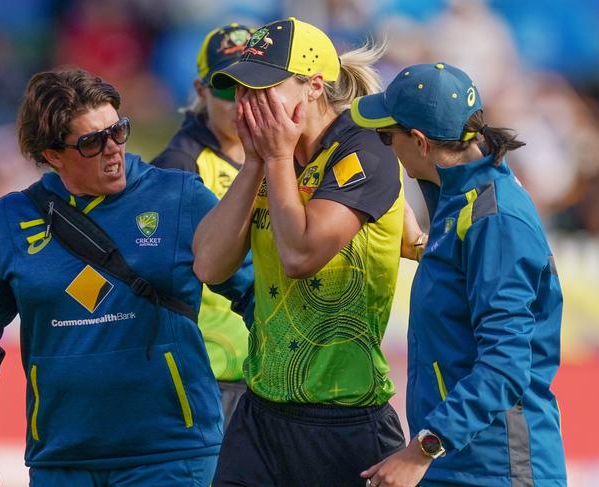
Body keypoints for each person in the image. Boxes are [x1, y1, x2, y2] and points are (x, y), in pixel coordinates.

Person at [0, 68, 252, 487]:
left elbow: (256, 296)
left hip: (172, 454)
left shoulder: (180, 196)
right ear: (53, 155)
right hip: (61, 460)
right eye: (93, 141)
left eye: (118, 131)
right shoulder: (10, 218)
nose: (113, 149)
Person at [193, 17, 424, 487]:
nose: (247, 103)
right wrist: (257, 160)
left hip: (343, 420)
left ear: (314, 87)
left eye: (264, 88)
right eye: (240, 88)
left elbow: (300, 256)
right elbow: (209, 264)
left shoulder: (366, 150)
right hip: (259, 414)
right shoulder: (270, 158)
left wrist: (274, 159)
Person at [351, 62, 566, 486]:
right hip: (461, 460)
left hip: (496, 469)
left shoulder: (494, 220)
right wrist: (424, 247)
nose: (385, 147)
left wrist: (420, 451)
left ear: (419, 142)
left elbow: (504, 367)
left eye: (386, 136)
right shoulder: (465, 197)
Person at [152, 23, 253, 429]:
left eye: (254, 85)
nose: (242, 101)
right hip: (212, 377)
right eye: (228, 87)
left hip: (272, 372)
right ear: (200, 90)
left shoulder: (284, 155)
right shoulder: (180, 166)